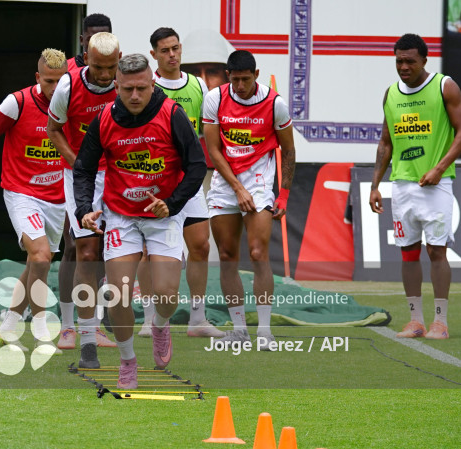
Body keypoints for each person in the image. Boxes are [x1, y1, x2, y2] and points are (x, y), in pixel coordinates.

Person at [74, 54, 206, 388]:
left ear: (153, 84)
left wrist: (173, 203)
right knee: (117, 296)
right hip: (121, 215)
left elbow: (196, 165)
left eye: (142, 88)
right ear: (116, 86)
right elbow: (84, 167)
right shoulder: (104, 118)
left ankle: (160, 326)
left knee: (166, 293)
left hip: (163, 214)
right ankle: (128, 360)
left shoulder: (171, 114)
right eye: (129, 89)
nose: (135, 96)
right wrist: (83, 208)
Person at [0, 49, 69, 354]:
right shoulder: (18, 102)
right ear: (38, 78)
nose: (54, 88)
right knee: (40, 257)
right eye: (49, 81)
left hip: (58, 198)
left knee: (39, 261)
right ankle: (41, 332)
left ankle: (8, 326)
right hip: (21, 192)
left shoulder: (71, 104)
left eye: (61, 81)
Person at [369, 33, 461, 340]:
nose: (403, 67)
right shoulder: (390, 94)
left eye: (410, 61)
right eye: (399, 61)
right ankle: (415, 321)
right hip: (401, 186)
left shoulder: (444, 86)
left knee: (436, 250)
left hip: (436, 186)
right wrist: (375, 185)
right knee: (408, 252)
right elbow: (386, 142)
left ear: (424, 60)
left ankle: (440, 322)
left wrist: (440, 168)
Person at [202, 50, 296, 348]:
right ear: (228, 76)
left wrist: (283, 194)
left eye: (246, 79)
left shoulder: (274, 103)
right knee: (228, 257)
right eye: (235, 79)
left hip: (258, 182)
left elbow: (289, 151)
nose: (240, 85)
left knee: (258, 254)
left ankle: (265, 331)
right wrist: (236, 188)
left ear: (256, 74)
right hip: (225, 183)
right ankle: (240, 329)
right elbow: (214, 150)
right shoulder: (215, 98)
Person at [137, 27, 224, 339]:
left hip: (189, 183)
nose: (172, 54)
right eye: (165, 50)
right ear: (154, 55)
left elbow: (207, 134)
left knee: (200, 245)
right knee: (149, 251)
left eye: (175, 48)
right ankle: (149, 319)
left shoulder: (198, 86)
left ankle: (198, 319)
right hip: (153, 183)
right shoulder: (147, 87)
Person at [47, 32, 120, 367]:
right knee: (83, 249)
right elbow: (54, 129)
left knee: (109, 250)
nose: (105, 75)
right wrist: (79, 164)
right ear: (86, 59)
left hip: (120, 173)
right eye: (99, 67)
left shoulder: (129, 84)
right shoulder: (68, 86)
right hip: (80, 174)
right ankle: (82, 336)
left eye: (111, 67)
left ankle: (98, 323)